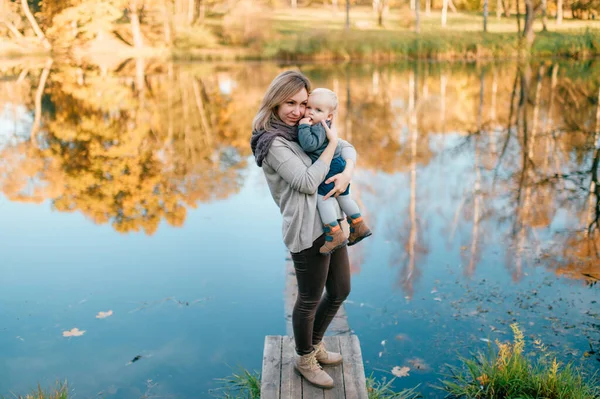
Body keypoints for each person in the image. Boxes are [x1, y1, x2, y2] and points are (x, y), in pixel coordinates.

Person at [250, 71, 356, 389]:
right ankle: (304, 358)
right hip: (305, 228)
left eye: (304, 103)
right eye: (290, 103)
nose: (298, 111)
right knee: (309, 298)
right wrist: (332, 145)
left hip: (330, 221)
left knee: (340, 290)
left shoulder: (302, 129)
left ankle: (315, 344)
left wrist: (347, 170)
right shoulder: (274, 142)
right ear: (275, 101)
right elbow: (309, 182)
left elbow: (347, 148)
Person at [297, 88, 372, 255]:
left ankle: (334, 234)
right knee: (344, 197)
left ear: (329, 116)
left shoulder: (318, 126)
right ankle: (358, 224)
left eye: (318, 110)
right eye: (309, 107)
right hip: (338, 164)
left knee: (322, 198)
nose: (310, 113)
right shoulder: (326, 124)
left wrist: (302, 127)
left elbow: (309, 145)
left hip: (329, 167)